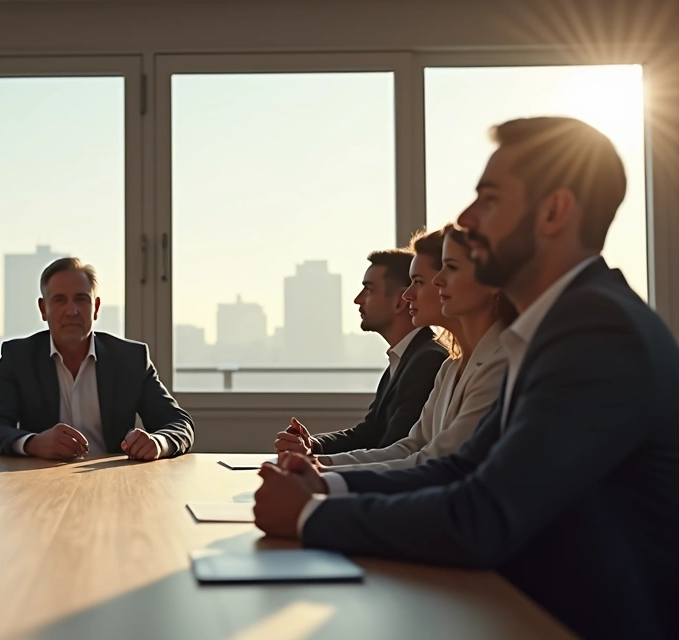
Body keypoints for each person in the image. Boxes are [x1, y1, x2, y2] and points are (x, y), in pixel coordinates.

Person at [253, 117, 679, 640]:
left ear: (554, 212)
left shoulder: (597, 332)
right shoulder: (559, 325)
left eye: (489, 199)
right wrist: (326, 484)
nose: (466, 218)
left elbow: (484, 516)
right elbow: (463, 466)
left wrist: (309, 517)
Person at [314, 224, 513, 471]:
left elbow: (438, 461)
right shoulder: (450, 367)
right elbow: (411, 446)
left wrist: (326, 474)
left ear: (491, 281)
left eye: (450, 268)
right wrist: (321, 463)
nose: (408, 294)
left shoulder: (499, 364)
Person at [0, 258, 193, 460]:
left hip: (113, 482)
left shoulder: (130, 359)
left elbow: (179, 424)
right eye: (60, 300)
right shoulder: (19, 357)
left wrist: (158, 442)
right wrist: (33, 443)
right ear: (44, 309)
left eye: (82, 299)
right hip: (39, 480)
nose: (72, 311)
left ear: (96, 308)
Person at [275, 248, 447, 456]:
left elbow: (394, 448)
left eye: (369, 289)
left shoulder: (427, 360)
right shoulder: (406, 357)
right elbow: (370, 432)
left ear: (401, 301)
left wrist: (322, 467)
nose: (358, 299)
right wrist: (313, 445)